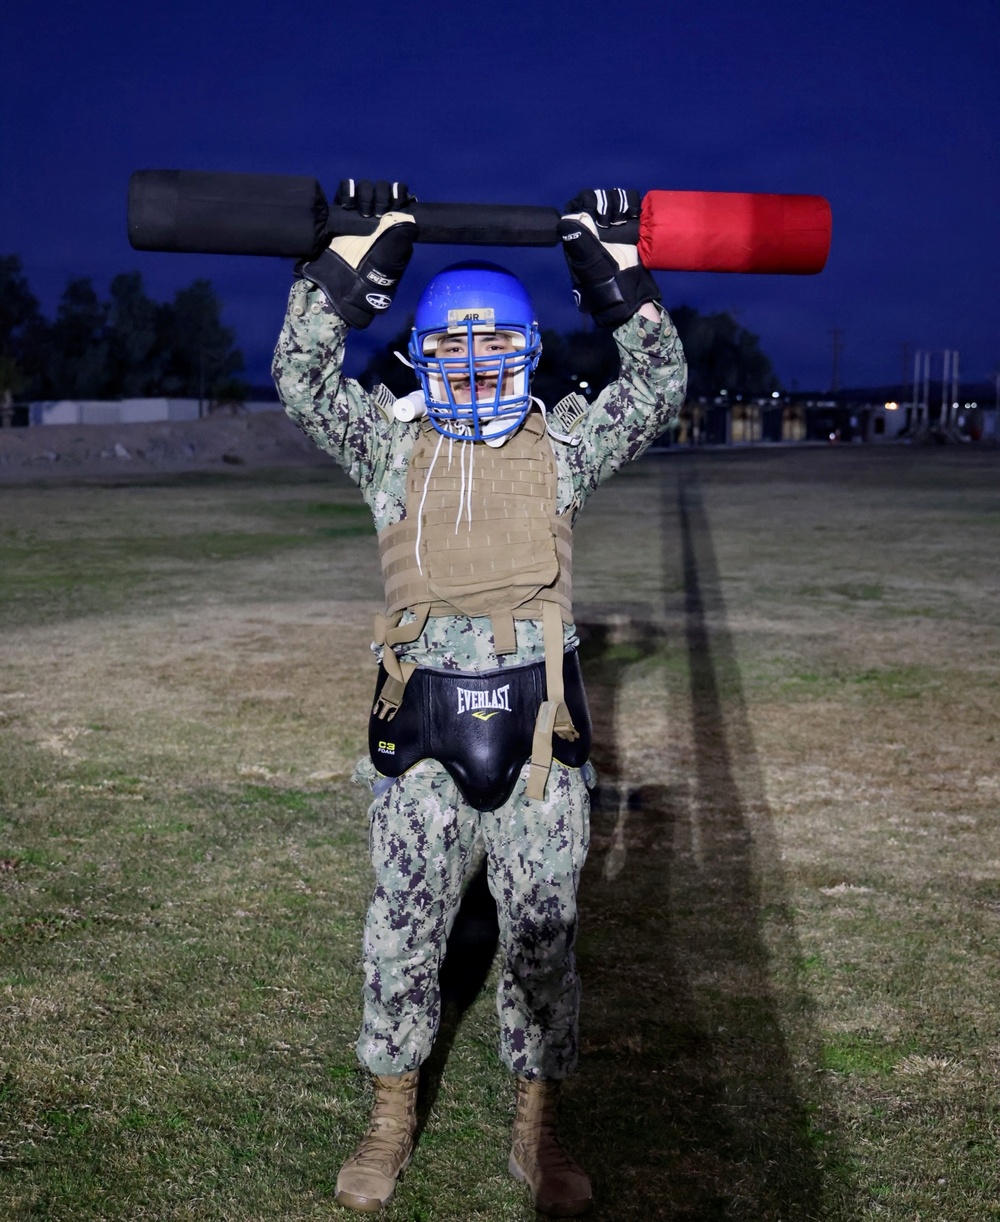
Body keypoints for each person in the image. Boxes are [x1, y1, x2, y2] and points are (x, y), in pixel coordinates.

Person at [272, 179, 687, 1215]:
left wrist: (616, 275)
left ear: (522, 355)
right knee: (402, 933)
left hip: (540, 736)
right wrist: (344, 268)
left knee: (542, 935)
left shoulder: (562, 451)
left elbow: (659, 381)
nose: (468, 368)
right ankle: (389, 1114)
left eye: (488, 351)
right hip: (419, 737)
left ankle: (536, 1131)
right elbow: (301, 373)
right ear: (422, 357)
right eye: (447, 351)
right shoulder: (388, 447)